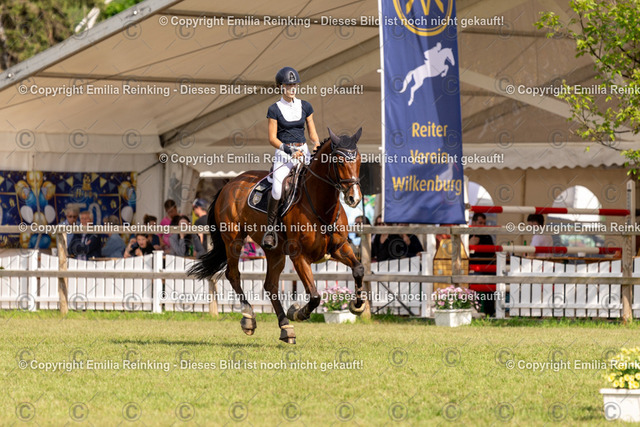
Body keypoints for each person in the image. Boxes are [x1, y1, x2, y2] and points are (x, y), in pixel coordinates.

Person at [262, 66, 320, 250]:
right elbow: (272, 138)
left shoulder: (306, 106)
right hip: (283, 153)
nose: (292, 88)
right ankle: (270, 230)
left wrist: (317, 145)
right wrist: (289, 150)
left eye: (294, 85)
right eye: (289, 85)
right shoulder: (274, 109)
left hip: (303, 151)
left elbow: (312, 133)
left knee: (319, 182)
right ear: (281, 87)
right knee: (277, 190)